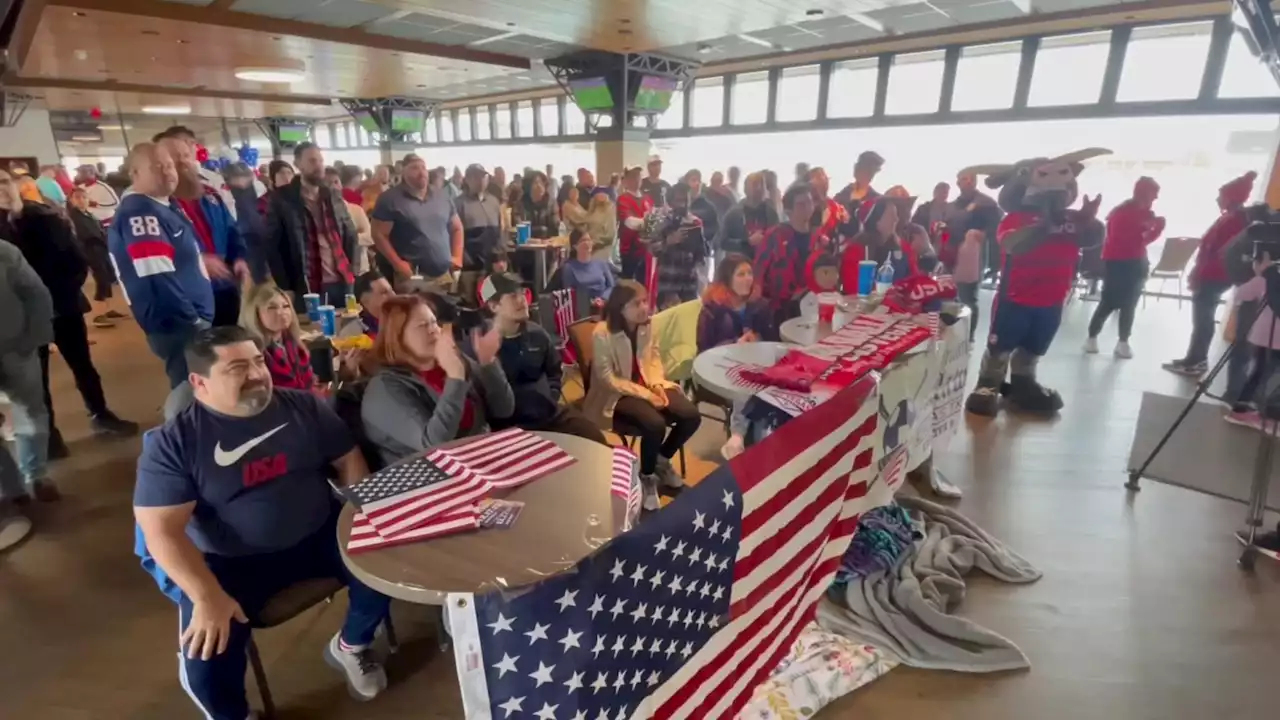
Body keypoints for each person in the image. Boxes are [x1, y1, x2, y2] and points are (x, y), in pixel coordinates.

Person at [134, 326, 393, 719]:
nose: (258, 374)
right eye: (238, 367)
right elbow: (160, 531)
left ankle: (351, 645)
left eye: (259, 361)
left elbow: (348, 459)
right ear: (199, 383)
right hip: (232, 562)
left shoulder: (302, 406)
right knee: (205, 663)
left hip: (319, 533)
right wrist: (206, 596)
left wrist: (362, 515)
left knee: (391, 560)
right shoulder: (175, 443)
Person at [5, 172, 138, 454]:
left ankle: (100, 414)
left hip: (63, 305)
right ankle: (48, 433)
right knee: (34, 378)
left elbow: (76, 261)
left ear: (19, 187)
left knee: (83, 366)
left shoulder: (46, 219)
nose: (3, 189)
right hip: (23, 317)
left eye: (5, 182)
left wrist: (58, 296)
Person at [583, 280, 700, 510]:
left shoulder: (648, 326)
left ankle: (661, 459)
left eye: (645, 301)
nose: (644, 307)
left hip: (648, 384)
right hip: (615, 395)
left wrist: (656, 385)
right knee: (655, 425)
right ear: (620, 307)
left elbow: (654, 360)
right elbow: (608, 380)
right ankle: (646, 477)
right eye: (637, 303)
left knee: (691, 416)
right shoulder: (602, 334)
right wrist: (647, 395)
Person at [359, 295, 514, 468]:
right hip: (428, 479)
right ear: (398, 336)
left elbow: (504, 410)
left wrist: (487, 363)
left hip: (480, 460)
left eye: (434, 322)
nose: (433, 330)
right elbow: (433, 444)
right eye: (422, 326)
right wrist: (455, 379)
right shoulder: (384, 388)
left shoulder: (450, 361)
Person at [109, 142, 215, 389]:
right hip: (179, 324)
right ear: (135, 173)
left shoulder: (163, 204)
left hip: (189, 320)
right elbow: (155, 276)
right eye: (157, 167)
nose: (168, 172)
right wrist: (191, 319)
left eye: (170, 166)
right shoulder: (141, 213)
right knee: (191, 390)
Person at [475, 273, 606, 442]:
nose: (522, 300)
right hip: (509, 426)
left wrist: (550, 396)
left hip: (548, 414)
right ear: (493, 306)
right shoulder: (481, 346)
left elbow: (554, 370)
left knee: (594, 437)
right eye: (513, 296)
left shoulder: (537, 334)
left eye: (522, 293)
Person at [1164, 171, 1257, 377]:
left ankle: (1197, 360)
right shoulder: (1232, 218)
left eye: (1221, 195)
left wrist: (1199, 274)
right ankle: (1194, 357)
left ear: (1231, 197)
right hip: (1214, 275)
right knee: (1202, 319)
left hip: (1214, 276)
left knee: (1203, 319)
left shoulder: (1234, 220)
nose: (1218, 198)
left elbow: (1218, 252)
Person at [157, 128, 248, 326]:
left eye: (186, 156)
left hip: (224, 288)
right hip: (186, 295)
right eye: (174, 158)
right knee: (198, 353)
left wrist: (240, 257)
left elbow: (232, 231)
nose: (182, 162)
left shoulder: (210, 196)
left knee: (230, 345)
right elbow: (153, 254)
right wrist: (196, 261)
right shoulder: (154, 206)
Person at [263, 142, 359, 310]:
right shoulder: (282, 198)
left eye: (321, 161)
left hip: (342, 279)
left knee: (348, 330)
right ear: (298, 164)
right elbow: (273, 246)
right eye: (312, 161)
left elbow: (350, 233)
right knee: (314, 332)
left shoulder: (332, 194)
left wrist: (354, 270)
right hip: (307, 285)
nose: (319, 166)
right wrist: (285, 286)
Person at [0, 232, 55, 506]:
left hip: (15, 349)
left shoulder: (5, 253)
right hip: (16, 347)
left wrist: (32, 339)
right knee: (30, 414)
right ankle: (11, 489)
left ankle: (34, 476)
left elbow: (36, 294)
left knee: (31, 414)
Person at [1085, 177, 1166, 358]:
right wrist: (1155, 230)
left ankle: (1123, 342)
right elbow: (1132, 242)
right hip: (1120, 264)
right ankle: (1092, 337)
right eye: (1153, 195)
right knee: (1109, 303)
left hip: (1135, 264)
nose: (1155, 199)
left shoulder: (1142, 213)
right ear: (1144, 194)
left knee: (1129, 305)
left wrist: (1152, 228)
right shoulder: (1123, 214)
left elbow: (1140, 242)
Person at [371, 154, 463, 291]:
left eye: (423, 168)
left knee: (446, 311)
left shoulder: (441, 196)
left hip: (444, 274)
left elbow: (457, 228)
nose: (421, 173)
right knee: (414, 312)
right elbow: (378, 234)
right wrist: (398, 263)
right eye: (414, 168)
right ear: (403, 172)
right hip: (412, 276)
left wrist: (457, 256)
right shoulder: (390, 199)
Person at [754, 183, 829, 318]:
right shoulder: (775, 236)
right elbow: (758, 270)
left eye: (810, 202)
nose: (808, 208)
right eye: (801, 205)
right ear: (789, 211)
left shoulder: (819, 239)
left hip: (811, 306)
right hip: (779, 309)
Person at [1224, 258, 1280, 429]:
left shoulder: (1268, 277)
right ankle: (1264, 412)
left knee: (1259, 373)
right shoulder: (1269, 277)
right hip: (1272, 337)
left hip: (1262, 336)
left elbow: (1241, 293)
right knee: (1264, 374)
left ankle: (1242, 407)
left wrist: (1259, 276)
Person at [67, 187, 127, 328]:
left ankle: (107, 309)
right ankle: (99, 315)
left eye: (84, 197)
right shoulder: (75, 217)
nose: (81, 200)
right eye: (77, 198)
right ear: (72, 200)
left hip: (100, 249)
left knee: (106, 277)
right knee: (101, 280)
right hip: (90, 251)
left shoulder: (88, 214)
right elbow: (87, 235)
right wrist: (103, 239)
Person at [239, 283, 314, 390]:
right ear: (254, 313)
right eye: (272, 307)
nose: (281, 312)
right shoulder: (251, 351)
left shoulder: (293, 342)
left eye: (286, 306)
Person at [697, 253, 773, 352]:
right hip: (721, 363)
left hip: (756, 361)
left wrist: (758, 339)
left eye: (750, 273)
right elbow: (704, 350)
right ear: (726, 280)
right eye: (741, 274)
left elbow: (771, 341)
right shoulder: (712, 310)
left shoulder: (760, 306)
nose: (748, 278)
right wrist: (735, 344)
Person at [653, 183, 708, 308]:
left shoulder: (695, 221)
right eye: (679, 200)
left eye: (685, 200)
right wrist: (668, 241)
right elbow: (652, 249)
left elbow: (702, 255)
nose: (682, 204)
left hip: (689, 283)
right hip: (668, 282)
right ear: (671, 201)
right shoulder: (662, 220)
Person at [456, 164, 503, 301]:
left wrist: (501, 257)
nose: (480, 180)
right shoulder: (459, 204)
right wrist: (465, 259)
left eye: (483, 176)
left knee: (492, 302)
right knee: (471, 302)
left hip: (492, 265)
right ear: (467, 180)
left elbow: (499, 231)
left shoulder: (493, 202)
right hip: (471, 266)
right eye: (475, 177)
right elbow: (454, 235)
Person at [951, 170, 1003, 281]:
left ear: (975, 182)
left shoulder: (986, 203)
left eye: (970, 179)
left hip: (979, 256)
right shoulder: (953, 206)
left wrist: (982, 234)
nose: (967, 182)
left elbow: (996, 226)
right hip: (954, 256)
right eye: (963, 179)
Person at [716, 171, 779, 260]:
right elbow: (722, 242)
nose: (759, 188)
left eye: (762, 185)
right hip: (741, 263)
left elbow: (778, 238)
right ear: (746, 189)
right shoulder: (734, 214)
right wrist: (747, 242)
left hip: (765, 263)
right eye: (755, 184)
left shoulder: (770, 212)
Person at [561, 228, 615, 306]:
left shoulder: (601, 263)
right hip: (582, 307)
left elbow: (611, 286)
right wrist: (590, 302)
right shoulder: (569, 268)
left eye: (589, 240)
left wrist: (603, 298)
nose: (587, 243)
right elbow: (569, 293)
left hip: (603, 304)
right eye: (583, 241)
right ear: (575, 246)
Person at [617, 166, 652, 279]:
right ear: (626, 180)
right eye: (633, 177)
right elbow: (630, 222)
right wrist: (648, 222)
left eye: (639, 177)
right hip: (630, 251)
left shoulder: (647, 199)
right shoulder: (623, 199)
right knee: (629, 284)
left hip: (647, 250)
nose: (637, 180)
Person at [832, 151, 884, 220]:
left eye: (868, 169)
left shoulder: (876, 200)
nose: (856, 168)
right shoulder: (842, 195)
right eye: (858, 166)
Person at [511, 171, 559, 239]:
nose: (539, 186)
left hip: (547, 246)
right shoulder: (519, 205)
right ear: (528, 186)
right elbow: (520, 230)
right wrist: (541, 230)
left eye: (542, 183)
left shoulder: (551, 203)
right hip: (525, 246)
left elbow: (554, 230)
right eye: (536, 183)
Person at [682, 169, 721, 246]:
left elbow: (714, 229)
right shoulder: (678, 204)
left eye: (699, 180)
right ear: (686, 183)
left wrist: (699, 234)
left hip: (700, 250)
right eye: (693, 180)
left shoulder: (708, 207)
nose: (697, 183)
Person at [354, 269, 395, 337]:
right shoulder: (355, 333)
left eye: (392, 290)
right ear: (365, 301)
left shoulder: (403, 323)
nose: (393, 296)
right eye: (384, 292)